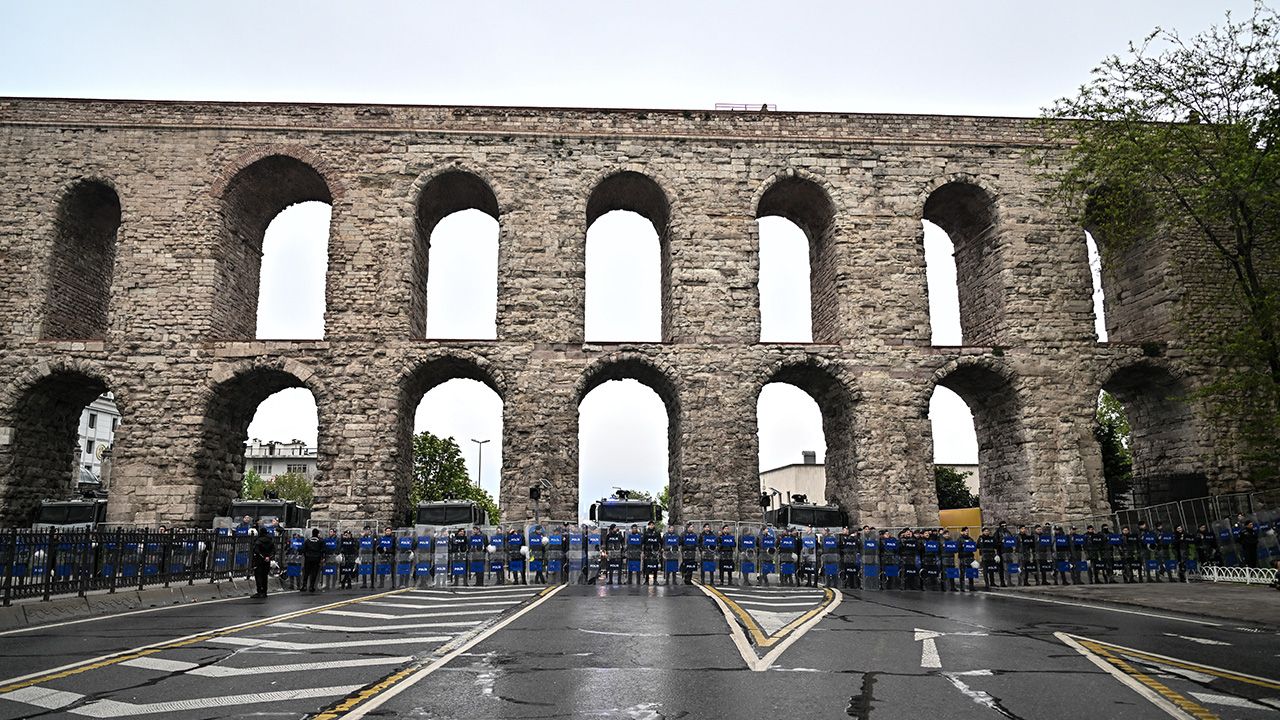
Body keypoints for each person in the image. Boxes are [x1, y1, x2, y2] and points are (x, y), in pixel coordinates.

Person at [250, 523, 275, 599]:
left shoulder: (258, 541)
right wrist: (268, 557)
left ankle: (259, 591)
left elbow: (256, 551)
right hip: (267, 561)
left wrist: (263, 557)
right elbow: (274, 551)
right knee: (265, 576)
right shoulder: (270, 541)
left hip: (259, 561)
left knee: (258, 576)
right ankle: (264, 591)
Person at [300, 528, 325, 592]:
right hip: (316, 558)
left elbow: (303, 549)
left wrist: (306, 555)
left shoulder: (308, 541)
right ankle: (311, 586)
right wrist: (322, 557)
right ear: (317, 534)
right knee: (314, 573)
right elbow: (323, 550)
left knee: (306, 572)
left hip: (308, 558)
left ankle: (304, 586)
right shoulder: (320, 541)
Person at [642, 521, 661, 585]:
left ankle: (655, 580)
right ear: (648, 526)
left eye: (652, 525)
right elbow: (643, 542)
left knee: (655, 566)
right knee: (647, 567)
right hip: (648, 552)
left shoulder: (657, 533)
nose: (651, 526)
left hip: (655, 551)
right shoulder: (646, 533)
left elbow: (660, 541)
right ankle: (646, 580)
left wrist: (660, 550)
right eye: (650, 525)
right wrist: (643, 552)